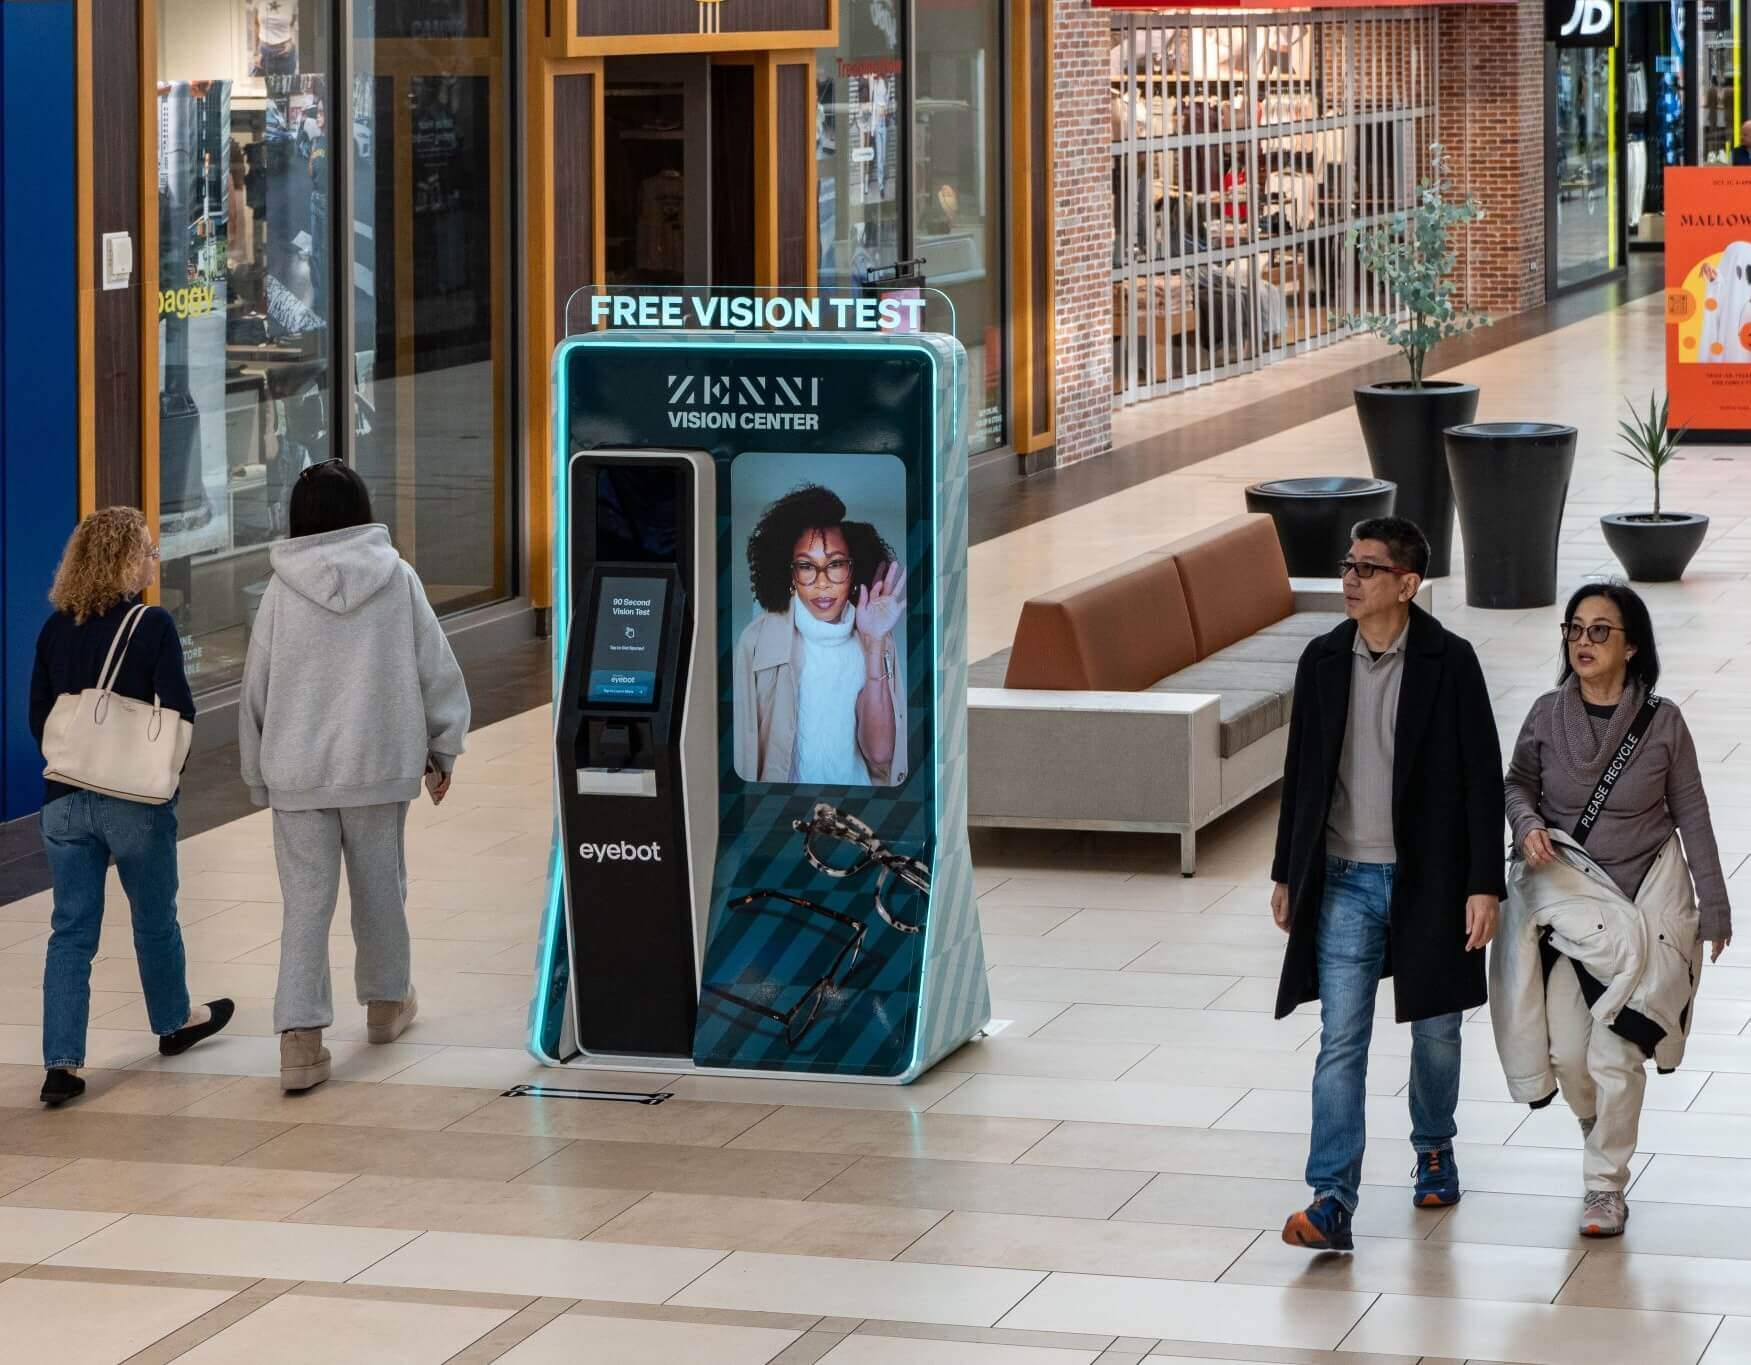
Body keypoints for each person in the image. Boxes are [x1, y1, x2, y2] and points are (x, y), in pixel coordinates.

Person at [1271, 517, 1504, 1251]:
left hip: (1430, 881)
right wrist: (1287, 870)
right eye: (1346, 565)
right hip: (1341, 879)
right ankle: (1331, 1197)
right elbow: (1301, 773)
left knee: (1435, 1030)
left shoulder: (1449, 660)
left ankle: (1433, 1146)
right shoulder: (1321, 659)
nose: (1349, 578)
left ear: (1406, 585)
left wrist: (1482, 884)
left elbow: (1480, 782)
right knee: (1340, 1038)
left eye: (1366, 569)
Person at [1496, 582, 1730, 1237]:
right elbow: (1516, 782)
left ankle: (1603, 1185)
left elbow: (1692, 812)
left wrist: (1713, 905)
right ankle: (1596, 1123)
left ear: (1631, 646)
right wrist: (1524, 821)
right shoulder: (1546, 715)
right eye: (1574, 628)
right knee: (1571, 1056)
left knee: (1615, 1052)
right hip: (1572, 914)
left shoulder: (1663, 722)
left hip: (1646, 909)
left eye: (1600, 631)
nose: (1582, 641)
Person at [239, 461, 469, 1092]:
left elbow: (253, 689)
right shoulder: (397, 579)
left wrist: (257, 774)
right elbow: (436, 670)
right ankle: (387, 1006)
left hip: (298, 776)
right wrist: (444, 748)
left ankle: (300, 1042)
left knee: (305, 907)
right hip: (378, 766)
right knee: (380, 890)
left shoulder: (280, 593)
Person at [29, 507, 234, 1106]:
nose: (155, 558)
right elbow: (179, 714)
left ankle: (60, 1065)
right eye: (147, 548)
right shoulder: (154, 624)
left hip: (63, 800)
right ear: (124, 560)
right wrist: (165, 781)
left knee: (69, 931)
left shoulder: (52, 629)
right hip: (135, 804)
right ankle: (174, 1023)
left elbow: (39, 720)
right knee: (154, 917)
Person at [732, 484, 906, 786]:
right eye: (806, 566)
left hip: (856, 816)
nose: (822, 582)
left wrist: (875, 642)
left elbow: (880, 754)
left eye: (835, 564)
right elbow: (746, 759)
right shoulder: (756, 641)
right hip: (785, 818)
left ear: (853, 570)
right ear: (790, 574)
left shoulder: (875, 638)